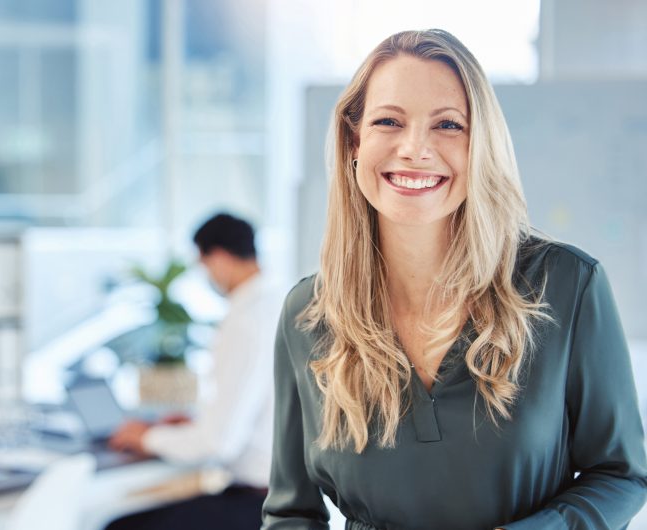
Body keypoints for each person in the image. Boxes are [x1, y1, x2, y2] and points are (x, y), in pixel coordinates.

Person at [262, 29, 647, 530]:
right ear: (355, 140)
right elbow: (291, 512)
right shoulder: (306, 314)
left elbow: (621, 474)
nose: (415, 149)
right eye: (388, 121)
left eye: (447, 124)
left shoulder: (567, 285)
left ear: (481, 144)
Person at [106, 212, 283, 530]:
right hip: (283, 501)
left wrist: (146, 437)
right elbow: (252, 413)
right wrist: (197, 423)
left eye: (203, 265)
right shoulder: (280, 302)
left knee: (119, 526)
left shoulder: (246, 321)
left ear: (217, 258)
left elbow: (219, 444)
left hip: (255, 504)